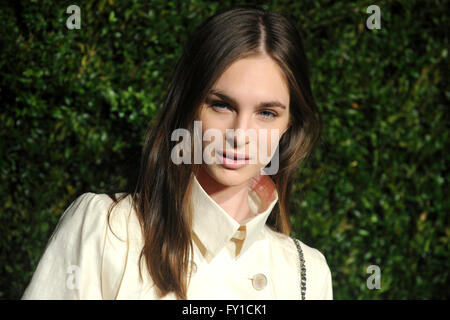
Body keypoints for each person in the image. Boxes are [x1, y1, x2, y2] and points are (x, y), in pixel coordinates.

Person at [22, 5, 332, 300]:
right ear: (187, 106)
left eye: (266, 113)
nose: (240, 135)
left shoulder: (306, 271)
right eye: (221, 105)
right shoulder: (106, 229)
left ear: (290, 125)